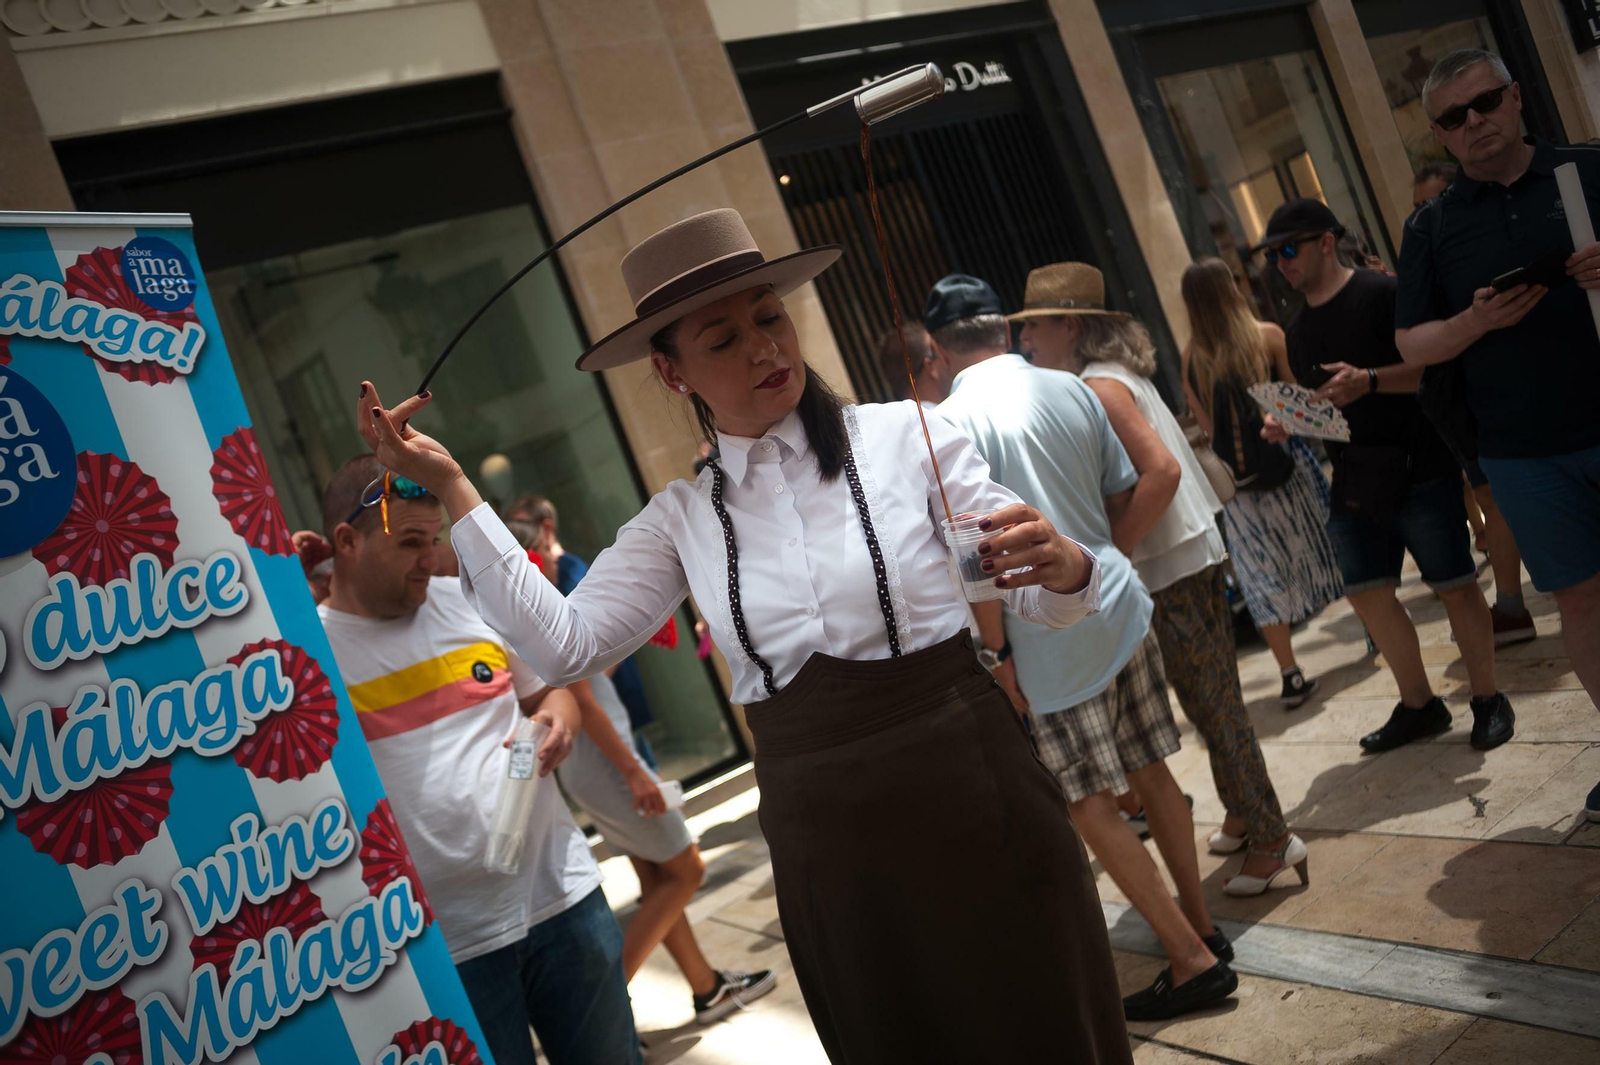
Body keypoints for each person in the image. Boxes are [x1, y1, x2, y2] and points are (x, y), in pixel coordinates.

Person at [357, 209, 1133, 1063]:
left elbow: (1031, 596)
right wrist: (452, 484)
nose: (764, 347)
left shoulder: (907, 438)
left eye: (770, 317)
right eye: (722, 339)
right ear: (671, 370)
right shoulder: (681, 520)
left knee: (1043, 1022)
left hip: (976, 788)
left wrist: (1062, 566)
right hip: (829, 839)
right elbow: (562, 645)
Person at [931, 272, 1238, 1022]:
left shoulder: (946, 425)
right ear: (1005, 330)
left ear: (938, 350)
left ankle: (1189, 958)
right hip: (1113, 597)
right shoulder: (1071, 387)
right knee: (1151, 767)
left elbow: (981, 561)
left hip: (1043, 638)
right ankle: (1200, 926)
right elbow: (1118, 489)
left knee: (1086, 801)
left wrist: (998, 655)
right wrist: (1108, 556)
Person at [309, 456, 643, 1065]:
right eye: (410, 542)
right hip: (445, 944)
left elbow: (554, 693)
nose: (431, 559)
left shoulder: (471, 603)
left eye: (433, 540)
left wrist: (558, 723)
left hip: (562, 901)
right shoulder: (312, 654)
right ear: (347, 542)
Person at [1017, 261, 1305, 895]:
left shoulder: (1099, 386)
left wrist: (1107, 553)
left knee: (1215, 705)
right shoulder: (1109, 377)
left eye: (1033, 326)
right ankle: (1242, 812)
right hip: (1182, 556)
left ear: (1069, 325)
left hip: (1169, 563)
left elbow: (1163, 474)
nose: (1026, 341)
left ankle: (1273, 841)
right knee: (1211, 700)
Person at [1394, 49, 1600, 815]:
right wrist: (1473, 322)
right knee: (1579, 602)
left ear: (1515, 98)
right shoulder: (1433, 227)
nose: (1474, 122)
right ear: (1440, 136)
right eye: (1453, 116)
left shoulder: (1586, 175)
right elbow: (1412, 344)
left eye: (1484, 103)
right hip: (1521, 450)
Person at [1257, 197, 1516, 753]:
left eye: (1288, 249)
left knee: (1454, 585)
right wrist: (1293, 421)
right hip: (1354, 476)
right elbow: (1329, 402)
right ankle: (1419, 704)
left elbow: (1434, 365)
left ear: (1327, 241)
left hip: (1418, 463)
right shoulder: (1298, 328)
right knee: (1367, 593)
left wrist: (1371, 379)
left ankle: (1488, 698)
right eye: (1273, 255)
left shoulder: (1382, 294)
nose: (1280, 262)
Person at [501, 518, 777, 1023]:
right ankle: (603, 1009)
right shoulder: (527, 615)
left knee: (658, 879)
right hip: (605, 764)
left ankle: (705, 986)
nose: (542, 558)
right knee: (687, 869)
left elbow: (588, 679)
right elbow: (583, 699)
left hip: (595, 765)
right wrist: (633, 771)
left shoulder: (523, 613)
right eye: (533, 552)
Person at [1179, 258, 1343, 705]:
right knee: (1324, 543)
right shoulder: (1267, 336)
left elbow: (1207, 429)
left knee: (1259, 573)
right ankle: (1373, 630)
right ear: (1231, 289)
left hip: (1239, 485)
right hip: (1285, 463)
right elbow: (1297, 402)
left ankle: (1289, 673)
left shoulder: (1193, 355)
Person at [1410, 158, 1537, 645]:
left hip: (1493, 392)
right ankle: (1512, 602)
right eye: (1416, 206)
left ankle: (1510, 603)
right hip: (1454, 399)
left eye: (1433, 202)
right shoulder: (1424, 260)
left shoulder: (1473, 249)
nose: (1424, 215)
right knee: (1490, 496)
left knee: (1499, 496)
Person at [506, 495, 663, 770]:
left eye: (523, 526)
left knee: (639, 766)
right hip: (592, 709)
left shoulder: (567, 572)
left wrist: (590, 682)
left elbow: (605, 635)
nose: (517, 535)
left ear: (546, 528)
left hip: (609, 696)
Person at [875, 317, 947, 406]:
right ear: (930, 366)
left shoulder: (902, 418)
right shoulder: (949, 417)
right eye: (940, 353)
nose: (947, 359)